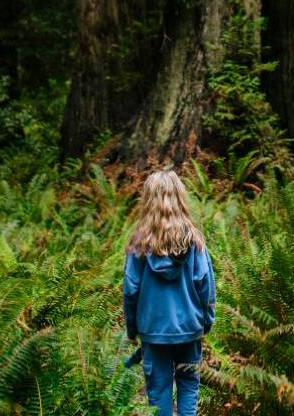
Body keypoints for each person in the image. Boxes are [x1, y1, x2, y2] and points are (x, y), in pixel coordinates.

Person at [123, 168, 216, 416]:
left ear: (148, 201)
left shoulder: (138, 246)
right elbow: (205, 286)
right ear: (180, 198)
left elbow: (130, 290)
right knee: (188, 387)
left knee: (158, 393)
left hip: (153, 333)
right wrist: (206, 322)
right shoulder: (195, 242)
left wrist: (132, 329)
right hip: (189, 330)